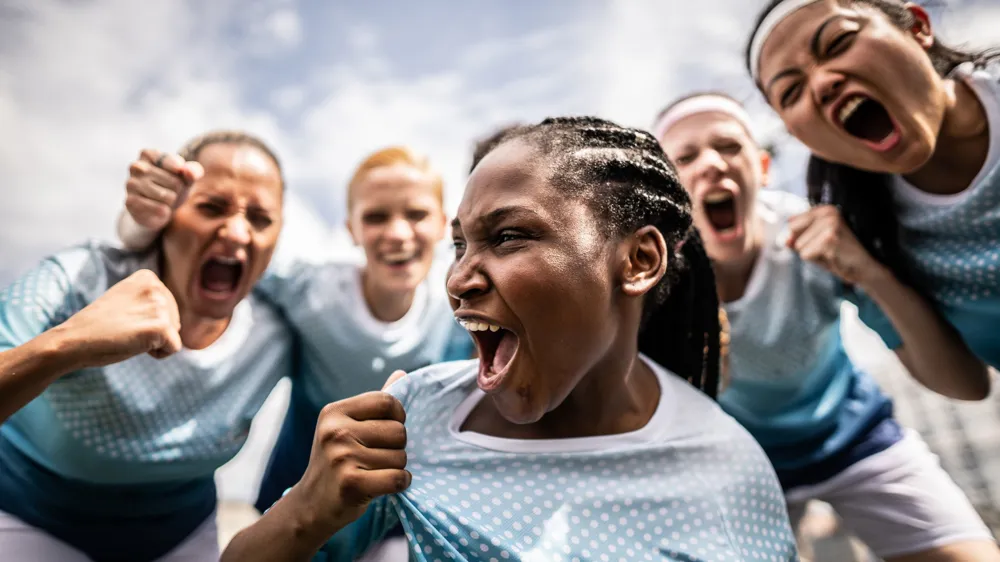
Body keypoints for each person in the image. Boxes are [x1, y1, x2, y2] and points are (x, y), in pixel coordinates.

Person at [218, 116, 800, 562]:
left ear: (638, 260)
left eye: (508, 236)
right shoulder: (418, 419)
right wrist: (309, 508)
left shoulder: (727, 473)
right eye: (460, 246)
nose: (457, 280)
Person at [654, 92, 998, 561]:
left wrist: (870, 272)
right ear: (668, 195)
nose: (711, 164)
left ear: (762, 168)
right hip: (737, 459)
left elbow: (964, 384)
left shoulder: (814, 237)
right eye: (686, 157)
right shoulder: (658, 280)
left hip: (853, 434)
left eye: (729, 147)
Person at [117, 146, 473, 515]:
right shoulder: (310, 293)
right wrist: (140, 223)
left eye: (416, 214)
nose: (397, 233)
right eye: (375, 217)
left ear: (443, 225)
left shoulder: (458, 308)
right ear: (351, 229)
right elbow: (220, 256)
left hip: (399, 501)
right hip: (295, 495)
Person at [0, 131, 294, 561]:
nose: (236, 232)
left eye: (260, 219)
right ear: (165, 215)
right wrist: (69, 343)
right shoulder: (79, 281)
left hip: (180, 535)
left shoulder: (282, 326)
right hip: (29, 513)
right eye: (211, 207)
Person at [746, 0, 1000, 379]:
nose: (822, 84)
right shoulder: (863, 235)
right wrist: (872, 275)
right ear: (798, 135)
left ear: (917, 27)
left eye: (838, 42)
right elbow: (965, 383)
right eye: (792, 92)